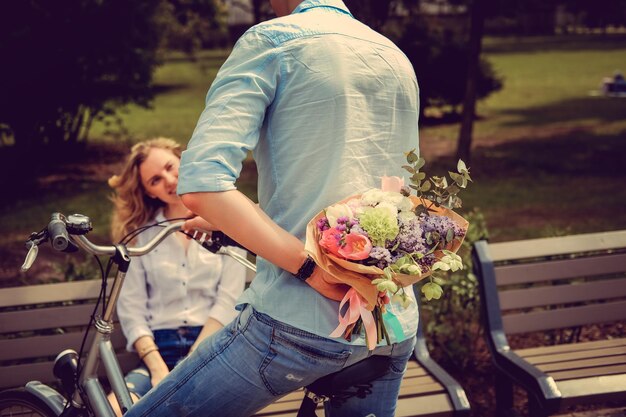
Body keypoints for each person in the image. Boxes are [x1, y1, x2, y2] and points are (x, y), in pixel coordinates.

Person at [126, 1, 420, 416]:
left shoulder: (272, 41)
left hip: (300, 323)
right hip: (392, 322)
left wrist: (309, 269)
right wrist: (232, 222)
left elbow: (202, 182)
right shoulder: (393, 55)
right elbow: (361, 190)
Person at [106, 138, 247, 416]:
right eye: (155, 180)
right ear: (148, 192)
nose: (169, 180)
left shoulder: (224, 224)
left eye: (171, 167)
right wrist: (159, 370)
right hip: (157, 352)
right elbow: (132, 310)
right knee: (114, 408)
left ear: (182, 160)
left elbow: (229, 299)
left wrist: (192, 361)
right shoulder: (142, 236)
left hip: (211, 350)